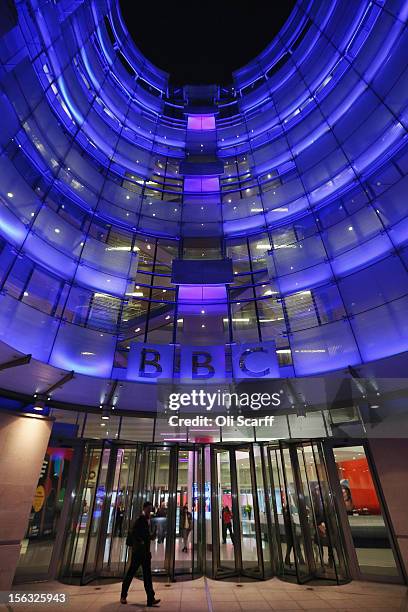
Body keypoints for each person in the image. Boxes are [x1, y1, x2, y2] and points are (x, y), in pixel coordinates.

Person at [120, 501, 160, 607]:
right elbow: (134, 533)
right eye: (148, 509)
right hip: (138, 553)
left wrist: (152, 535)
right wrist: (140, 541)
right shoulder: (140, 519)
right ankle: (123, 595)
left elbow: (146, 536)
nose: (149, 511)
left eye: (150, 509)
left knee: (147, 576)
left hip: (145, 553)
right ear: (144, 508)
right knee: (131, 573)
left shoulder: (148, 520)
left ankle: (150, 598)